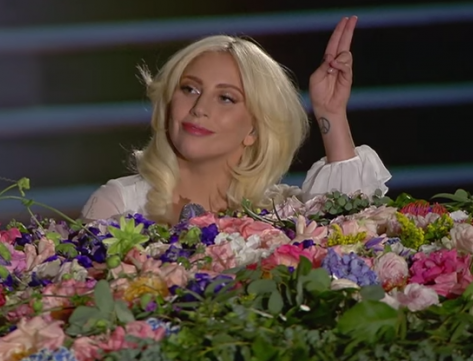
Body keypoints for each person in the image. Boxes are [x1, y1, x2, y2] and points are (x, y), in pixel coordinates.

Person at [81, 16, 391, 224]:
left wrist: (330, 112)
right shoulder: (117, 205)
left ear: (254, 128)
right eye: (190, 89)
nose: (199, 108)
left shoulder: (282, 214)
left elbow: (351, 229)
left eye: (226, 98)